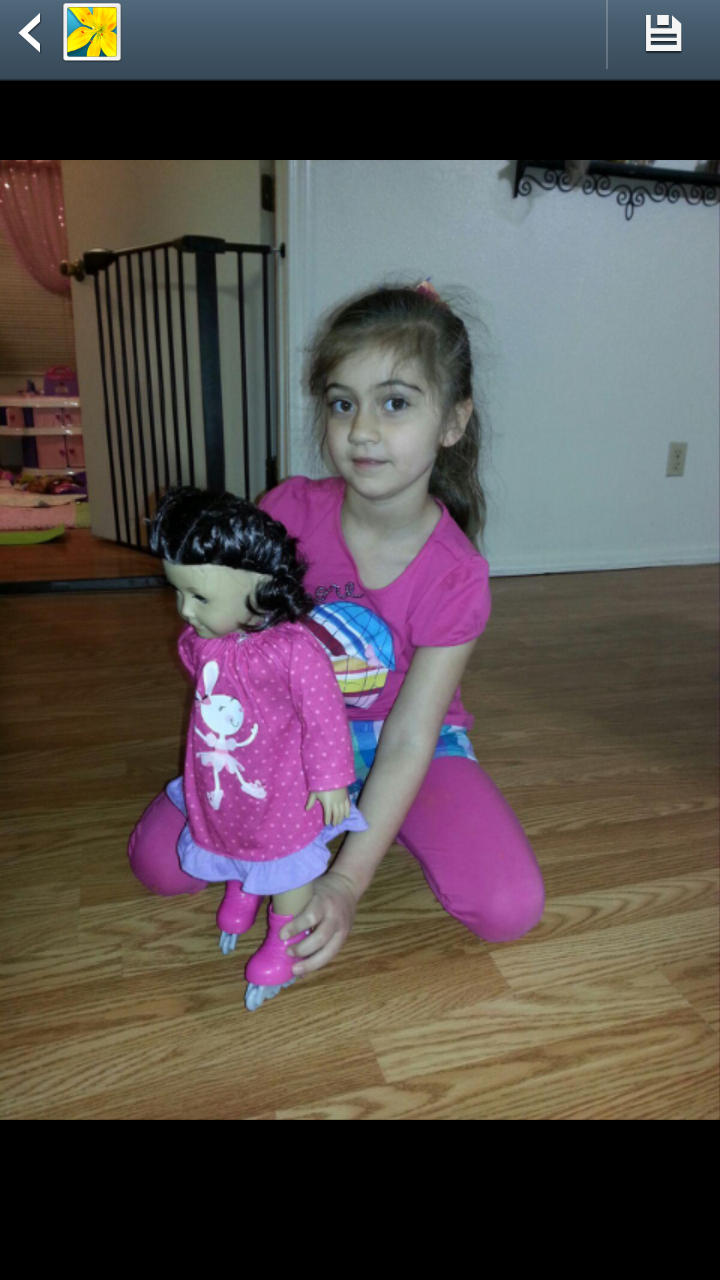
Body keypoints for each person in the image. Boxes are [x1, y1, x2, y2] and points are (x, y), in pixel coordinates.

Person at [128, 276, 545, 990]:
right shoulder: (287, 511)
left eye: (395, 403)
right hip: (285, 735)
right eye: (343, 403)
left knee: (509, 907)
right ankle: (339, 823)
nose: (361, 430)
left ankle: (375, 821)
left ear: (453, 422)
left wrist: (348, 882)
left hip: (405, 742)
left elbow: (411, 736)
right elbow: (234, 647)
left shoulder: (457, 575)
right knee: (160, 866)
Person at [133, 484, 370, 1010]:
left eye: (199, 597)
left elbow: (325, 716)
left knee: (286, 859)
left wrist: (331, 779)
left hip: (284, 787)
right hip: (228, 776)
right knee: (229, 830)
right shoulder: (202, 640)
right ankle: (242, 886)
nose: (184, 610)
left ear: (261, 585)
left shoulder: (294, 651)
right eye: (178, 593)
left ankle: (284, 937)